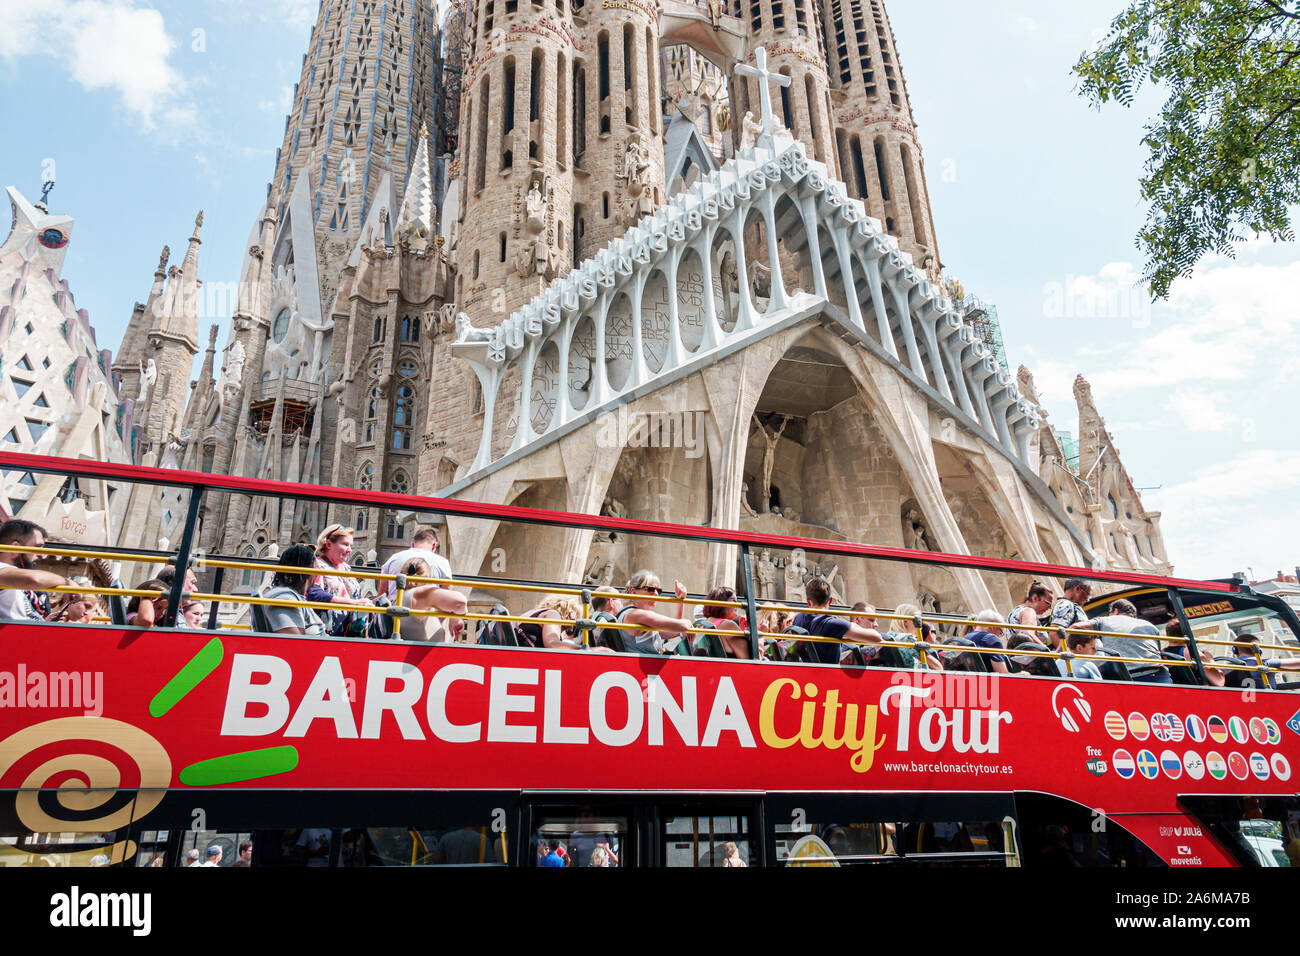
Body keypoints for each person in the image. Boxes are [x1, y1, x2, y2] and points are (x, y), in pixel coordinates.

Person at [791, 576, 883, 665]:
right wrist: (852, 626)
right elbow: (877, 638)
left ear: (808, 601)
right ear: (830, 601)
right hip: (829, 676)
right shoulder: (832, 624)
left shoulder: (798, 619)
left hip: (805, 674)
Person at [307, 524, 375, 637]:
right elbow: (314, 594)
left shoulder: (347, 568)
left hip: (352, 634)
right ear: (328, 544)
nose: (349, 550)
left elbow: (354, 596)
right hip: (326, 634)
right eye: (345, 544)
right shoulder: (317, 565)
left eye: (350, 545)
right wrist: (354, 603)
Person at [1082, 598, 1169, 683]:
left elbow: (1076, 627)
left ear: (1115, 611)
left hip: (1127, 678)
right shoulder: (1150, 626)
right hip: (1159, 677)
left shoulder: (1104, 620)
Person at [0, 519, 68, 621]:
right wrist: (67, 582)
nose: (41, 554)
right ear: (15, 548)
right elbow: (33, 579)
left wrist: (45, 622)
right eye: (37, 547)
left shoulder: (16, 577)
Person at [613, 570, 694, 654]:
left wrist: (680, 602)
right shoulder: (635, 614)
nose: (656, 594)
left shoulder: (636, 614)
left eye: (658, 591)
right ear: (633, 592)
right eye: (651, 589)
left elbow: (674, 630)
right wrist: (687, 622)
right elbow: (682, 626)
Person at [394, 557, 468, 641]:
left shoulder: (399, 599)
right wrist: (454, 619)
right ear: (427, 579)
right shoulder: (421, 593)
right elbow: (460, 603)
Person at [264, 544, 328, 635]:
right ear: (309, 570)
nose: (318, 573)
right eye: (316, 568)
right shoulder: (284, 599)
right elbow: (295, 643)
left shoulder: (292, 596)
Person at [517, 595, 611, 651]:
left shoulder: (532, 614)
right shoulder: (553, 614)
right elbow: (552, 644)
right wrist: (585, 649)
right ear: (571, 614)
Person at [381, 527, 453, 600]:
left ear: (412, 544)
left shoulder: (393, 558)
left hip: (394, 608)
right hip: (427, 609)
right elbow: (447, 596)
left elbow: (382, 594)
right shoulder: (442, 562)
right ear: (434, 545)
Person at [1164, 620, 1225, 687]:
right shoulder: (1190, 652)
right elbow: (1219, 681)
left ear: (1167, 635)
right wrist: (1210, 660)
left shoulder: (1162, 653)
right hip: (1197, 692)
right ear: (1188, 634)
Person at [698, 586, 750, 659]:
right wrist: (761, 636)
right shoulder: (728, 625)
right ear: (722, 601)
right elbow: (748, 661)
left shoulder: (702, 625)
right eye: (734, 600)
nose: (737, 605)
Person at [1048, 579, 1092, 645]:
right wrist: (1065, 653)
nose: (1088, 600)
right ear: (1077, 589)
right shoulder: (1066, 605)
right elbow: (1055, 632)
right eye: (1088, 594)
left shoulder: (1069, 605)